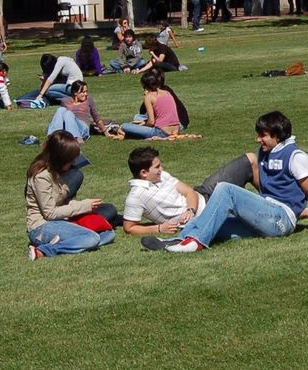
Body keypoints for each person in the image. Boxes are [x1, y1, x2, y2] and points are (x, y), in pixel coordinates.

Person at [139, 110, 308, 252]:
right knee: (211, 221)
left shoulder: (296, 156)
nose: (258, 139)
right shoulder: (265, 152)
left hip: (281, 220)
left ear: (277, 136)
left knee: (225, 189)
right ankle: (174, 241)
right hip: (267, 215)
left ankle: (195, 244)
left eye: (263, 135)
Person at [24, 131, 117, 259]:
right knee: (92, 238)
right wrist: (84, 206)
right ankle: (45, 250)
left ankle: (66, 241)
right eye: (70, 160)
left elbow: (61, 203)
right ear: (60, 159)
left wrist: (85, 206)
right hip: (41, 226)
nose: (73, 162)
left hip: (61, 221)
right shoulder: (41, 177)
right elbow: (50, 213)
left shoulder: (56, 172)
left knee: (108, 232)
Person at [119, 69, 194, 140]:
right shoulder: (167, 92)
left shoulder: (149, 97)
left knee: (125, 126)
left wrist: (145, 126)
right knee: (138, 122)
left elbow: (151, 121)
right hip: (175, 130)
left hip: (161, 132)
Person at [48, 80, 118, 140]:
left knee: (68, 114)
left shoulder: (88, 100)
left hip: (82, 128)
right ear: (75, 93)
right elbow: (61, 118)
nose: (86, 94)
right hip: (68, 128)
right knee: (61, 110)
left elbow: (96, 117)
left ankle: (77, 138)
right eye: (83, 92)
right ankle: (53, 137)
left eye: (86, 91)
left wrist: (106, 132)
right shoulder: (65, 101)